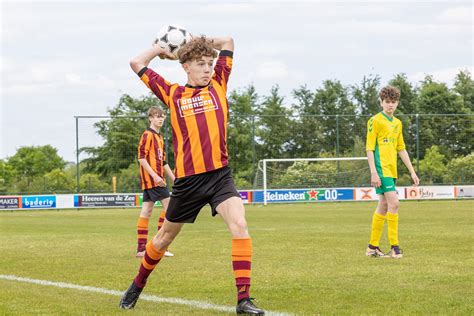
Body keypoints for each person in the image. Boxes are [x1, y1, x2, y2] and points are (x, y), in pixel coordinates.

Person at [120, 35, 265, 315]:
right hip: (188, 183)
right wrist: (163, 50)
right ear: (186, 66)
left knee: (240, 225)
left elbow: (229, 42)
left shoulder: (219, 83)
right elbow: (136, 62)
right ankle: (137, 284)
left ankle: (243, 300)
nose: (208, 68)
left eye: (210, 63)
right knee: (163, 239)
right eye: (201, 64)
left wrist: (196, 39)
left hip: (220, 177)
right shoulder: (173, 94)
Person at [365, 85, 420, 259]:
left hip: (392, 170)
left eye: (393, 102)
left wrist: (412, 171)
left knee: (383, 205)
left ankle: (372, 247)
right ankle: (395, 247)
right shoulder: (375, 120)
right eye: (387, 102)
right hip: (381, 169)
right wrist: (373, 172)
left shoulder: (397, 123)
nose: (390, 105)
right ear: (381, 102)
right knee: (394, 203)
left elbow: (401, 149)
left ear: (397, 103)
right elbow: (369, 148)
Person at [136, 106, 175, 258]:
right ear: (150, 118)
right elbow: (141, 158)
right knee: (170, 207)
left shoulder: (160, 138)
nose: (160, 118)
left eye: (162, 116)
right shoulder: (147, 135)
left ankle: (141, 249)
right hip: (153, 180)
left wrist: (173, 178)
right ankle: (160, 247)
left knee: (146, 211)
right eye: (157, 116)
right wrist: (154, 176)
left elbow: (164, 162)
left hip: (157, 180)